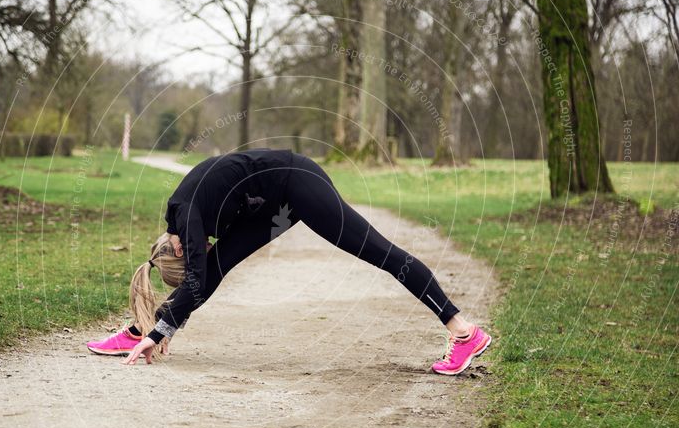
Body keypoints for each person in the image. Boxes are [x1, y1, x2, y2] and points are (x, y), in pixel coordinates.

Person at [87, 148, 491, 375]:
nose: (201, 250)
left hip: (298, 182)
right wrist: (160, 326)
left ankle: (463, 330)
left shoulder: (189, 219)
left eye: (194, 251)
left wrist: (163, 332)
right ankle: (138, 329)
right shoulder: (179, 219)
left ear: (178, 247)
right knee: (218, 267)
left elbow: (195, 278)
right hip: (276, 202)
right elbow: (202, 275)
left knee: (379, 252)